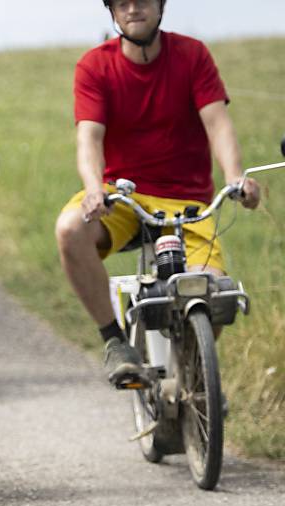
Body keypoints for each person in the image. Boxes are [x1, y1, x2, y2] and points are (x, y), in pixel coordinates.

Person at [55, 0, 261, 386]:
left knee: (212, 294)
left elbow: (217, 124)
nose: (134, 9)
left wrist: (236, 178)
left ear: (161, 6)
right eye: (123, 3)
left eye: (144, 1)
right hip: (122, 197)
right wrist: (93, 189)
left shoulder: (192, 55)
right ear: (113, 12)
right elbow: (89, 137)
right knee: (69, 229)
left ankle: (192, 384)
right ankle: (114, 340)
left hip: (188, 203)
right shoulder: (95, 65)